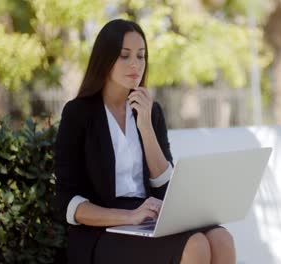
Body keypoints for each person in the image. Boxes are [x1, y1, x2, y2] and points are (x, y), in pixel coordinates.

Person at [54, 19, 236, 264]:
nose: (135, 65)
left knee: (222, 240)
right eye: (125, 56)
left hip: (148, 219)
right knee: (195, 246)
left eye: (141, 56)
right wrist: (129, 217)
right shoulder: (78, 113)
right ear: (105, 60)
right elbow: (68, 202)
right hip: (102, 232)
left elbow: (164, 186)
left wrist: (146, 126)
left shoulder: (151, 110)